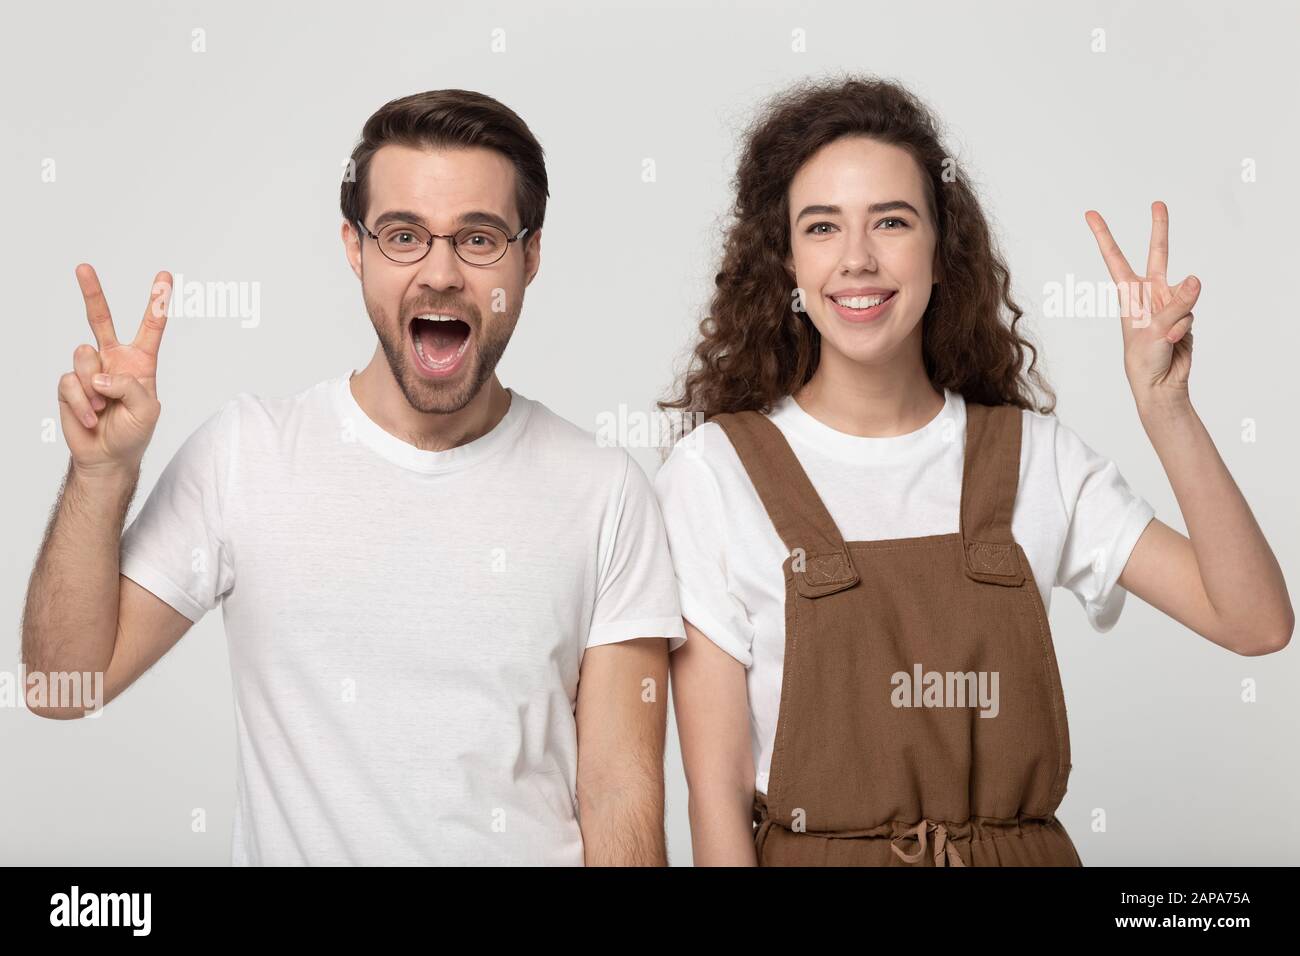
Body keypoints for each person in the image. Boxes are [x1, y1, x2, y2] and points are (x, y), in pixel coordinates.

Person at [21, 89, 685, 866]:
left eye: (478, 237)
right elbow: (63, 687)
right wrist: (101, 474)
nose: (440, 273)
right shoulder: (249, 454)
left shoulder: (606, 493)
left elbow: (618, 795)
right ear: (355, 248)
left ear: (529, 257)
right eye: (403, 235)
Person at [654, 76, 1293, 866]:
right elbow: (713, 795)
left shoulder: (1035, 458)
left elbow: (1257, 622)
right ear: (786, 261)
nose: (857, 259)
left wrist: (1166, 408)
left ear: (940, 248)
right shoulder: (714, 474)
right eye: (822, 227)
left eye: (892, 221)